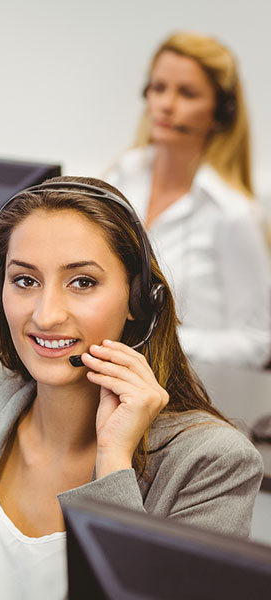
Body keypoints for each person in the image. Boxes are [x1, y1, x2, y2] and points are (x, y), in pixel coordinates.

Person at [0, 177, 263, 600]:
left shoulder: (211, 463)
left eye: (82, 282)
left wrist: (114, 461)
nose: (46, 316)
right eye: (25, 280)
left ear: (139, 301)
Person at [105, 31, 270, 367]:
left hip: (189, 389)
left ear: (221, 112)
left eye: (187, 93)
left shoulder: (232, 214)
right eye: (158, 88)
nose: (166, 104)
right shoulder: (119, 178)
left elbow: (258, 342)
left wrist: (162, 339)